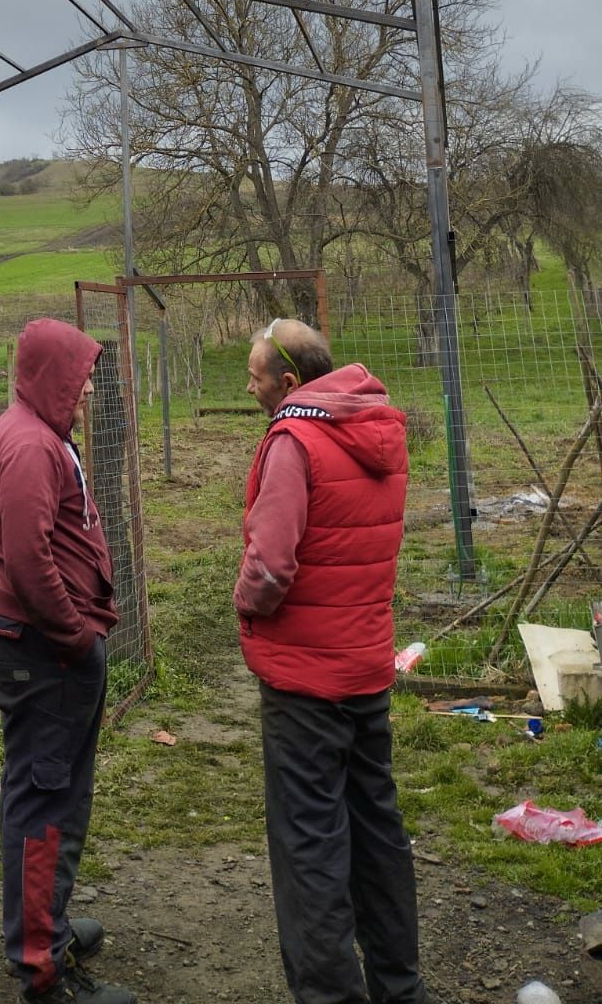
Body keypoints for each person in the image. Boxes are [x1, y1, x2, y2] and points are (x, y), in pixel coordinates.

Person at [234, 317, 430, 1004]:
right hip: (366, 665)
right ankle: (399, 988)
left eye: (256, 375)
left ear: (290, 382)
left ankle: (330, 995)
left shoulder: (294, 441)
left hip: (305, 681)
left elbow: (270, 567)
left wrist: (246, 607)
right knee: (378, 830)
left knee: (309, 846)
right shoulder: (379, 431)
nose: (250, 385)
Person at [0, 318, 135, 1004]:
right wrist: (75, 635)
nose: (88, 385)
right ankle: (43, 968)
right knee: (46, 802)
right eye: (79, 375)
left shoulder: (38, 433)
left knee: (56, 792)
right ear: (51, 377)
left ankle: (50, 926)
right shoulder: (30, 447)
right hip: (45, 652)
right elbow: (28, 561)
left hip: (51, 649)